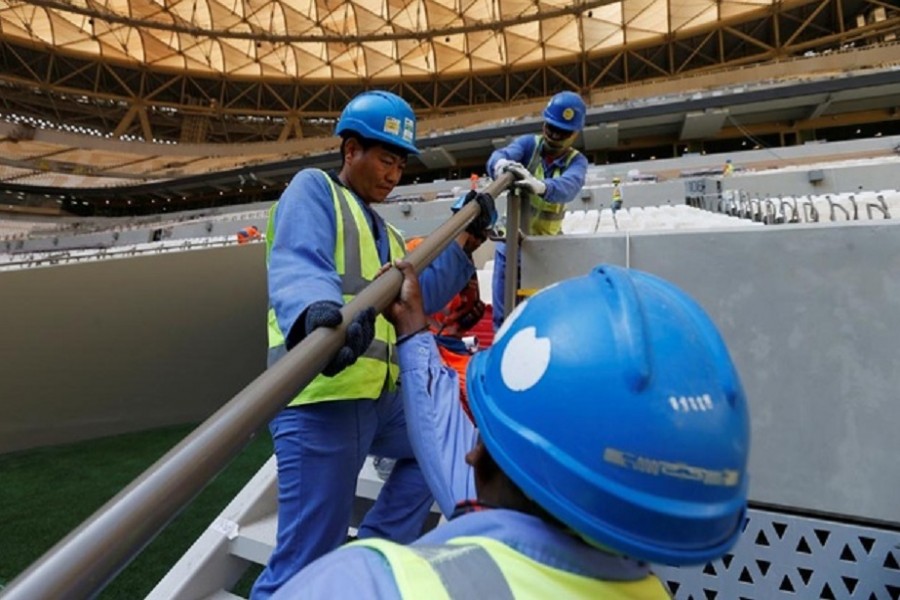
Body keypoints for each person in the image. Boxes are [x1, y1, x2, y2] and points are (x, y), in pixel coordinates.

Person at [273, 262, 751, 599]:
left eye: (479, 430)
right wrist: (416, 336)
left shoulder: (362, 583)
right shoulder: (641, 578)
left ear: (479, 456)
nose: (468, 449)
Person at [253, 90, 494, 599]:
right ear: (350, 150)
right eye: (386, 160)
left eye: (400, 165)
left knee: (443, 453)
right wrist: (318, 318)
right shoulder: (312, 189)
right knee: (303, 561)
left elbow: (417, 294)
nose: (393, 175)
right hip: (323, 400)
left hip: (380, 401)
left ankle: (372, 555)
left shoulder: (384, 228)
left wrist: (464, 242)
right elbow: (300, 263)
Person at [485, 91, 589, 330]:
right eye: (550, 127)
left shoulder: (577, 161)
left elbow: (569, 186)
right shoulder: (527, 145)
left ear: (575, 134)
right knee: (503, 319)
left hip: (544, 251)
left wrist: (542, 187)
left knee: (541, 319)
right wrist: (500, 165)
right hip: (510, 248)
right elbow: (500, 156)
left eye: (562, 132)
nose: (553, 135)